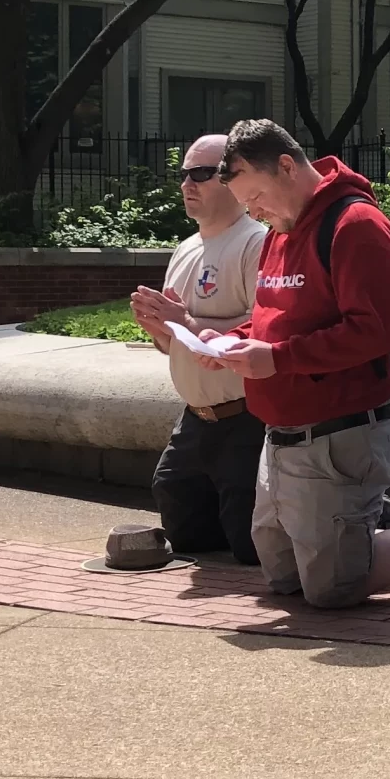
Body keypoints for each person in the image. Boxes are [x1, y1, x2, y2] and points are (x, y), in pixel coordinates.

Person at [196, 119, 390, 607]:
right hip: (284, 434)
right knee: (283, 576)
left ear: (288, 167)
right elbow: (276, 319)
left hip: (340, 430)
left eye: (255, 197)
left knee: (333, 588)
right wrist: (231, 342)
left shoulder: (356, 225)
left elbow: (373, 332)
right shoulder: (280, 230)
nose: (253, 211)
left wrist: (275, 359)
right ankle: (370, 523)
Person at [128, 134, 270, 563]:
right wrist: (160, 330)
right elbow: (173, 341)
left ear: (233, 180)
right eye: (184, 174)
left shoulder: (256, 242)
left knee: (251, 548)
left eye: (202, 174)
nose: (188, 184)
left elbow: (262, 326)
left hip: (246, 417)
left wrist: (186, 323)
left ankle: (374, 519)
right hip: (195, 419)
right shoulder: (186, 248)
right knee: (186, 532)